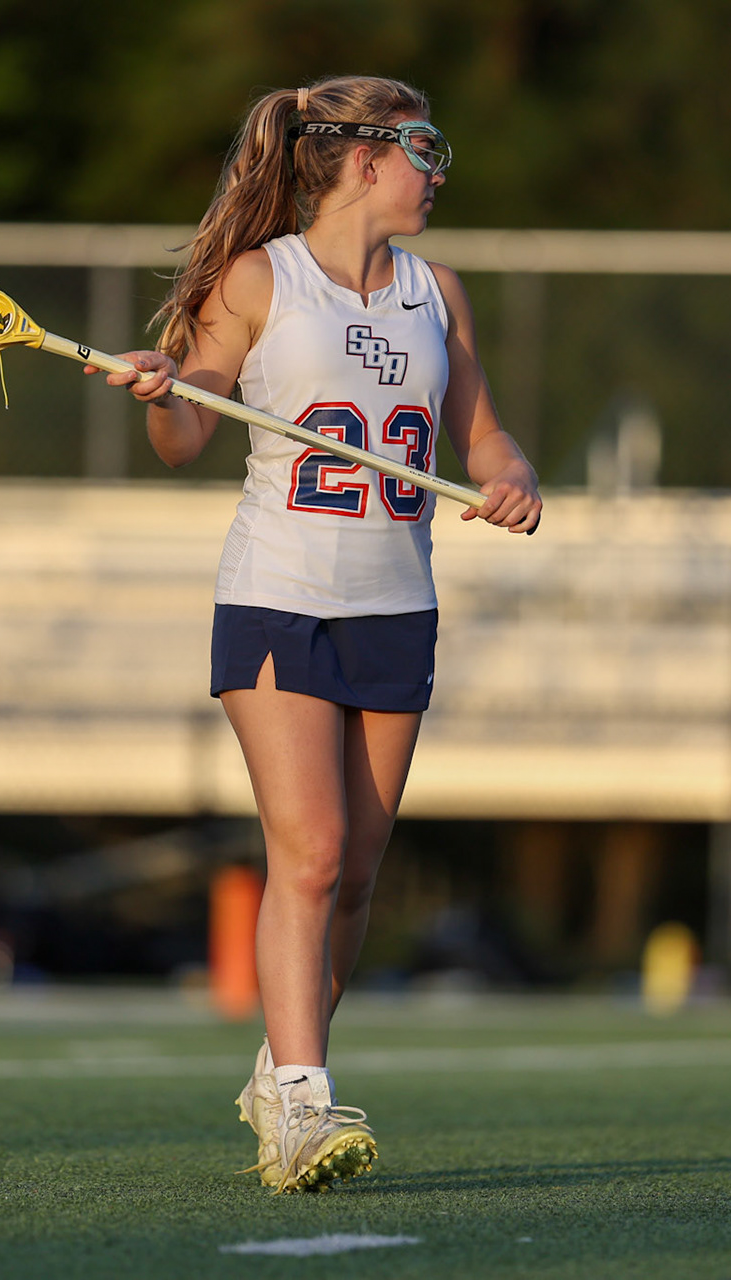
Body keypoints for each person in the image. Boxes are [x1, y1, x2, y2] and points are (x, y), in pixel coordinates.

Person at [94, 75, 541, 1193]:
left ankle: (280, 1070)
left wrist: (513, 477)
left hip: (399, 606)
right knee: (313, 850)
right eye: (425, 148)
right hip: (280, 595)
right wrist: (161, 387)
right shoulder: (259, 279)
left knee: (356, 879)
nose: (439, 171)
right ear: (362, 158)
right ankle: (301, 1100)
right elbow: (187, 427)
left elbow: (481, 435)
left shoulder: (439, 293)